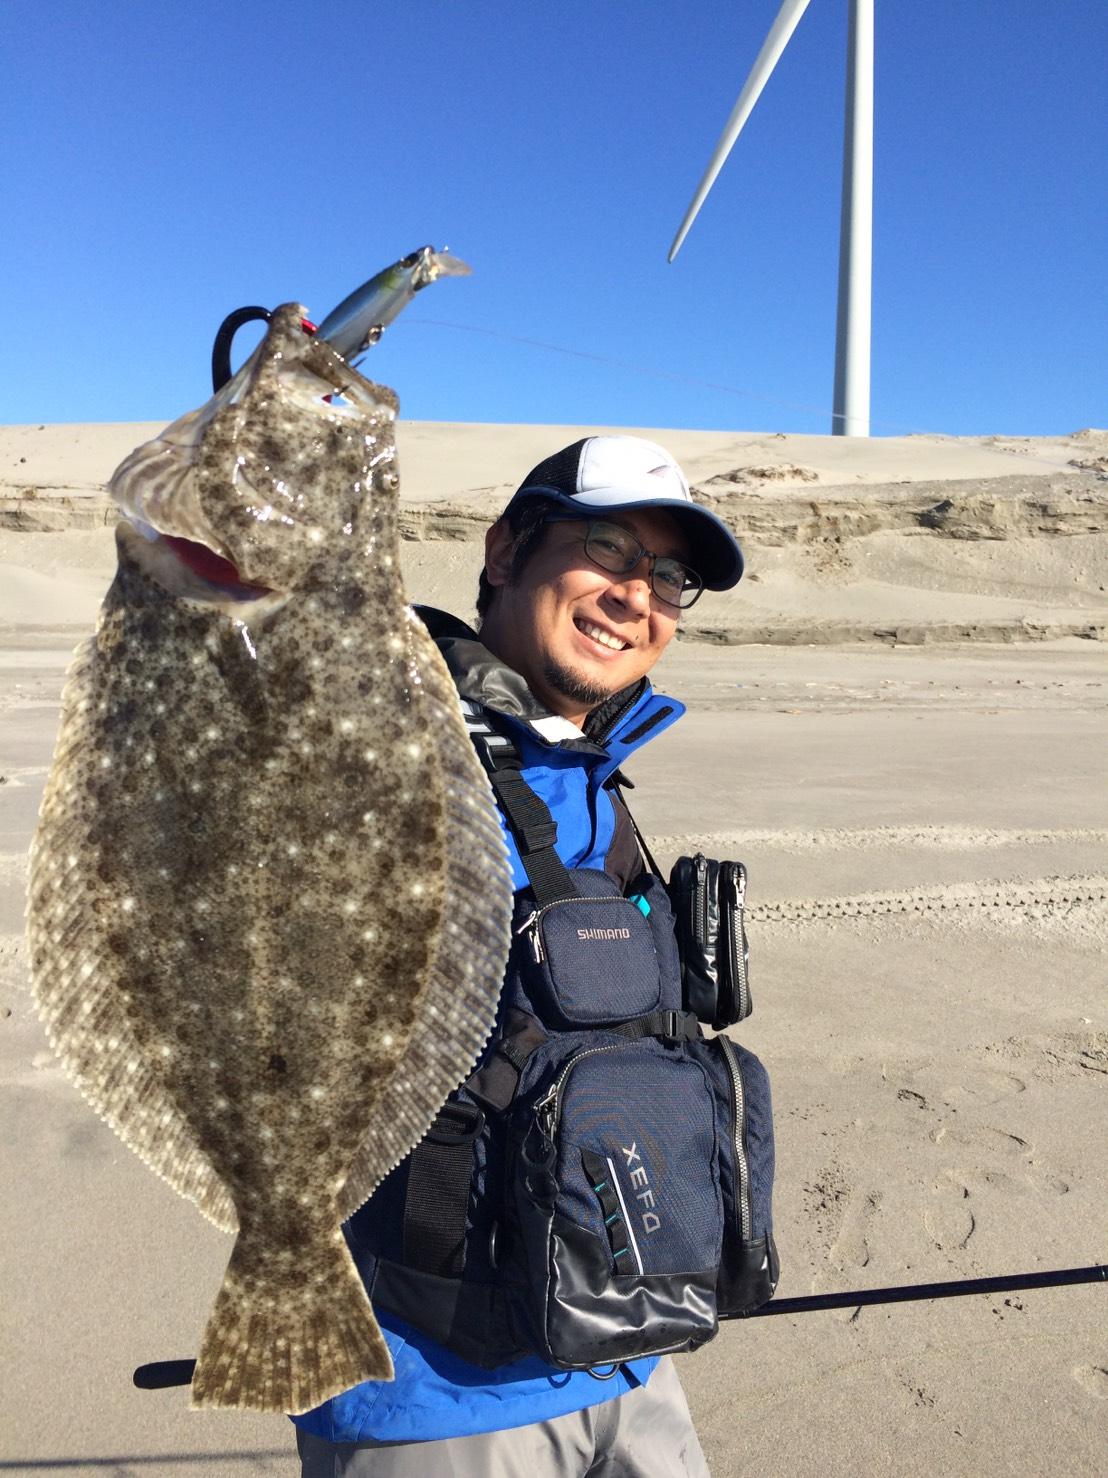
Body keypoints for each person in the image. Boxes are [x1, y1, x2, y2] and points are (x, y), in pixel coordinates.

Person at [294, 434, 744, 1476]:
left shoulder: (595, 777)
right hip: (428, 1393)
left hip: (627, 1358)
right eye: (606, 547)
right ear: (503, 551)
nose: (638, 594)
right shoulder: (383, 737)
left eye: (668, 576)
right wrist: (296, 468)